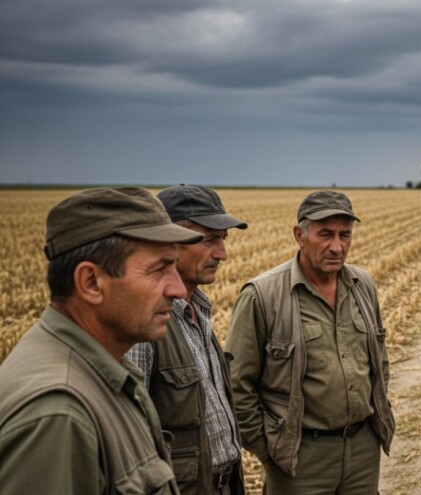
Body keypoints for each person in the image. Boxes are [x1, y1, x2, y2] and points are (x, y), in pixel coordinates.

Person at [0, 187, 204, 494]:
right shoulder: (58, 416)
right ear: (91, 282)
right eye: (159, 269)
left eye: (174, 266)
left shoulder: (101, 368)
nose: (177, 289)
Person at [225, 190, 395, 494]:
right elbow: (238, 386)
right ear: (299, 236)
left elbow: (378, 360)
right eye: (325, 234)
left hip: (362, 451)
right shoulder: (262, 296)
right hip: (299, 459)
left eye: (345, 235)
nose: (337, 247)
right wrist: (268, 451)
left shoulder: (363, 285)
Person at [127, 185, 248, 495]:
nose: (222, 254)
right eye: (208, 240)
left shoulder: (198, 309)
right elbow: (128, 442)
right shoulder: (144, 326)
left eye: (223, 239)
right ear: (167, 243)